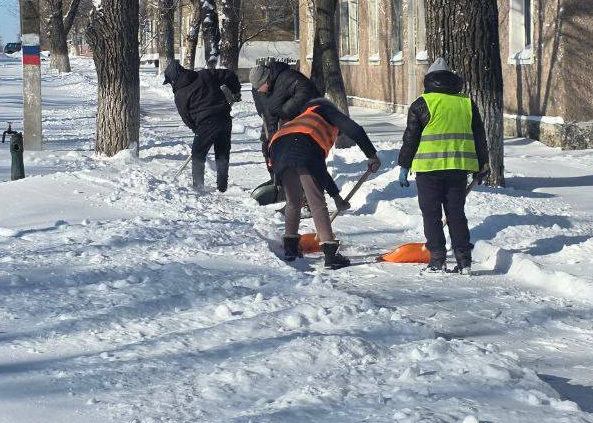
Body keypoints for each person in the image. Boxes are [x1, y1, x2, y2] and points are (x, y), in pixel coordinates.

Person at [397, 57, 489, 274]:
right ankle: (464, 260)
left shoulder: (422, 103)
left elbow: (411, 138)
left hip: (428, 169)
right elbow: (479, 137)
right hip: (458, 167)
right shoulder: (466, 103)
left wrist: (404, 165)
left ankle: (437, 259)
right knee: (456, 213)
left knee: (431, 215)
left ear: (429, 80)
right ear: (452, 80)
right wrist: (482, 164)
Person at [268, 97, 380, 269]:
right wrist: (371, 154)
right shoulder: (323, 109)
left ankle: (290, 248)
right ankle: (330, 255)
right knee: (316, 202)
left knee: (293, 201)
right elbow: (355, 129)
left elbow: (320, 171)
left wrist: (337, 197)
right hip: (301, 148)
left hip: (277, 149)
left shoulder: (300, 121)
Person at [163, 58, 242, 192]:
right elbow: (229, 75)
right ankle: (222, 187)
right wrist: (235, 91)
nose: (170, 84)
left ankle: (198, 187)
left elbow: (186, 118)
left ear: (174, 79)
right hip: (224, 118)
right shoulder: (205, 74)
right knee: (222, 153)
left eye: (170, 82)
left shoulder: (180, 94)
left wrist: (197, 129)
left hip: (205, 123)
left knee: (198, 154)